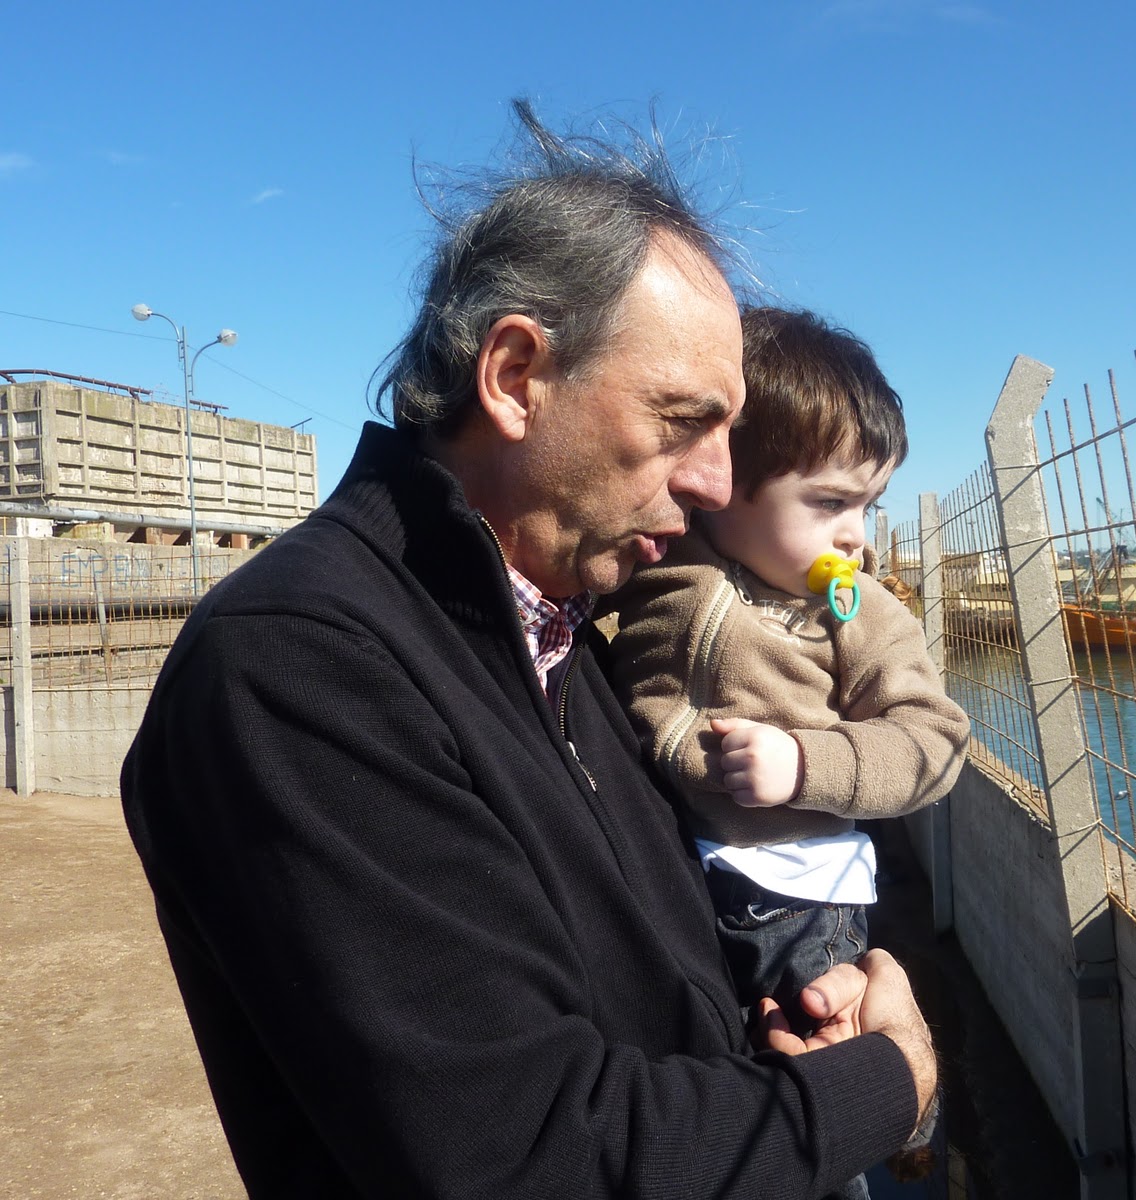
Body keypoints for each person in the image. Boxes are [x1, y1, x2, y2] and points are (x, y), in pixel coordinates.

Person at [120, 103, 935, 1199]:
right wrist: (887, 1080)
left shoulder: (559, 635)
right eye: (681, 422)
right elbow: (535, 1155)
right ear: (513, 376)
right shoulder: (299, 669)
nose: (713, 483)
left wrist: (786, 1025)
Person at [604, 307, 968, 1029]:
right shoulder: (660, 558)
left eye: (867, 506)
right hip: (661, 865)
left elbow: (936, 740)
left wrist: (805, 764)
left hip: (795, 898)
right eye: (831, 502)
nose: (855, 536)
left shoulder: (856, 611)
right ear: (725, 478)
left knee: (805, 1035)